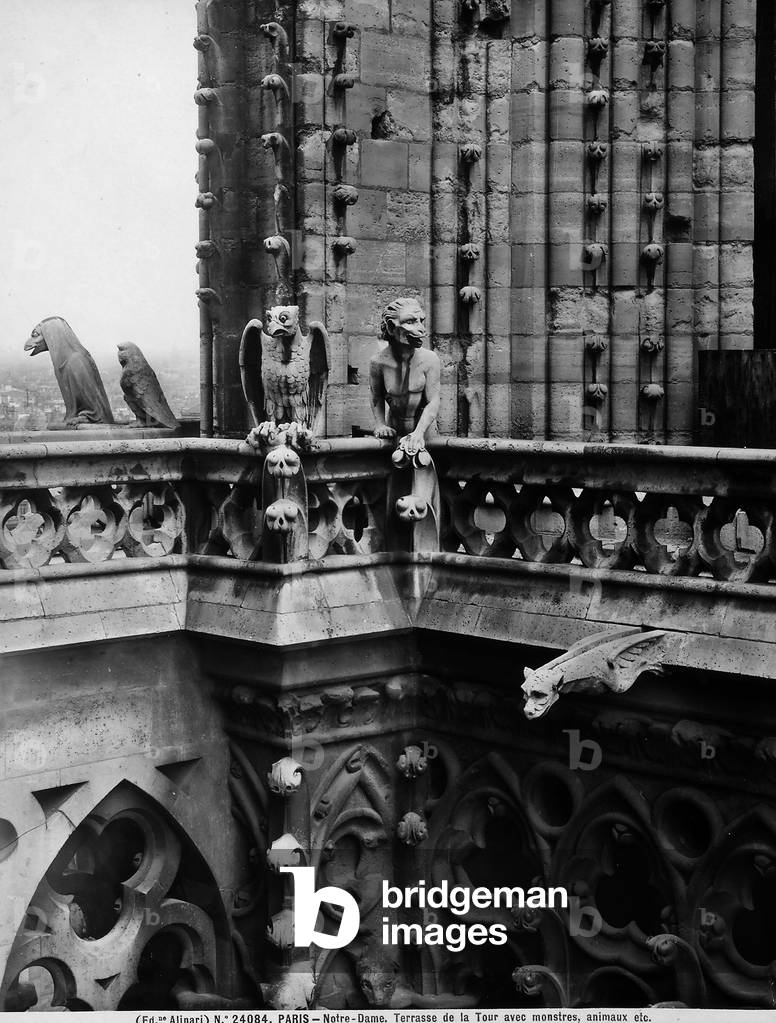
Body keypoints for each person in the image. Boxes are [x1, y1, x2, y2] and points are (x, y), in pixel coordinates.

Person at [369, 297, 441, 455]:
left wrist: (419, 433)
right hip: (394, 432)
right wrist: (380, 424)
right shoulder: (378, 362)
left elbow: (433, 400)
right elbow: (376, 397)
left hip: (425, 433)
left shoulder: (430, 359)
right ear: (391, 327)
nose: (421, 329)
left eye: (421, 320)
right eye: (410, 321)